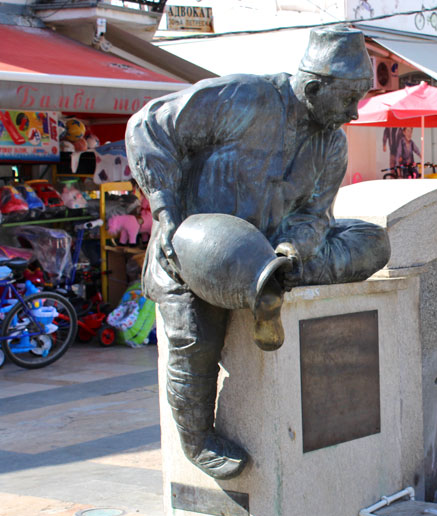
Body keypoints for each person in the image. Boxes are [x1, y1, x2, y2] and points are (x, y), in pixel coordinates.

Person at [125, 26, 390, 480]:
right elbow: (147, 128)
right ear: (312, 87)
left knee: (373, 242)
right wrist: (165, 208)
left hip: (271, 245)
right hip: (198, 252)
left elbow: (316, 212)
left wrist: (299, 244)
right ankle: (197, 439)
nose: (353, 113)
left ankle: (272, 276)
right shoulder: (244, 96)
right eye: (348, 99)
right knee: (195, 342)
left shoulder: (331, 141)